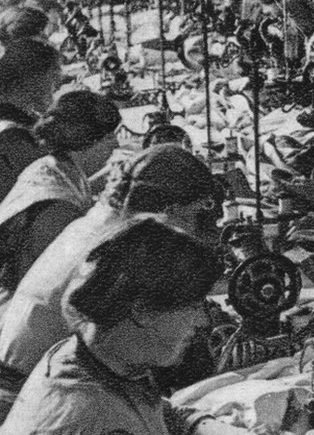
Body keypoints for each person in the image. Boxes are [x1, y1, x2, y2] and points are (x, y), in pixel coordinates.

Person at [0, 145, 221, 420]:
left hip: (30, 381)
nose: (194, 227)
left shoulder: (94, 224)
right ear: (171, 210)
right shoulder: (121, 247)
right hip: (34, 398)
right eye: (193, 215)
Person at [0, 219, 254, 435]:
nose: (202, 321)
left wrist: (203, 425)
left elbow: (151, 408)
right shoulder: (94, 416)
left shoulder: (88, 355)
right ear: (142, 310)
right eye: (193, 306)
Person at [0, 91, 120, 307]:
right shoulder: (58, 209)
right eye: (110, 137)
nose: (116, 145)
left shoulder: (54, 166)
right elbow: (51, 280)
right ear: (87, 139)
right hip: (17, 307)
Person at [0, 39, 61, 201]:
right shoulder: (12, 134)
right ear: (31, 79)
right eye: (52, 76)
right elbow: (47, 193)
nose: (56, 85)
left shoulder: (14, 113)